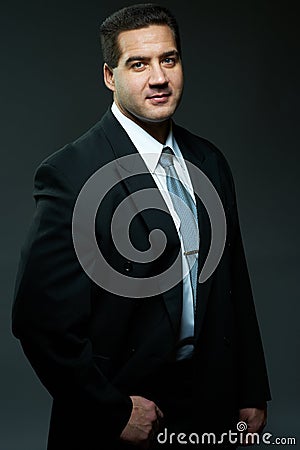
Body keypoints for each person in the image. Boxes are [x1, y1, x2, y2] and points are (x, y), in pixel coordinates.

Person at [12, 4, 271, 450]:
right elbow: (38, 321)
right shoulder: (71, 174)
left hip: (210, 406)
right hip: (122, 413)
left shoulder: (209, 160)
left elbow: (234, 282)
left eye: (168, 60)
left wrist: (251, 388)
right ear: (110, 76)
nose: (159, 78)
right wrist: (110, 410)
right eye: (139, 63)